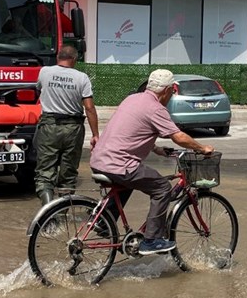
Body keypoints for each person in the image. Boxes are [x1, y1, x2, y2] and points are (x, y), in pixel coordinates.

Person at [90, 69, 214, 255]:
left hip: (99, 160)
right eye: (172, 91)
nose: (172, 95)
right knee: (162, 188)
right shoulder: (156, 109)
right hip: (119, 164)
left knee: (127, 184)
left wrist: (156, 149)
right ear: (167, 90)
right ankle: (152, 240)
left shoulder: (132, 99)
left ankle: (103, 222)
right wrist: (201, 148)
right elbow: (179, 137)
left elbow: (132, 131)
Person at [34, 44, 99, 204]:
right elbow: (89, 108)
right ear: (75, 60)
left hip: (49, 127)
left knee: (45, 174)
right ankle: (62, 215)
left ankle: (47, 216)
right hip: (73, 129)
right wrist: (96, 135)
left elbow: (38, 90)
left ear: (58, 57)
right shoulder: (82, 77)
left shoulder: (44, 72)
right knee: (68, 175)